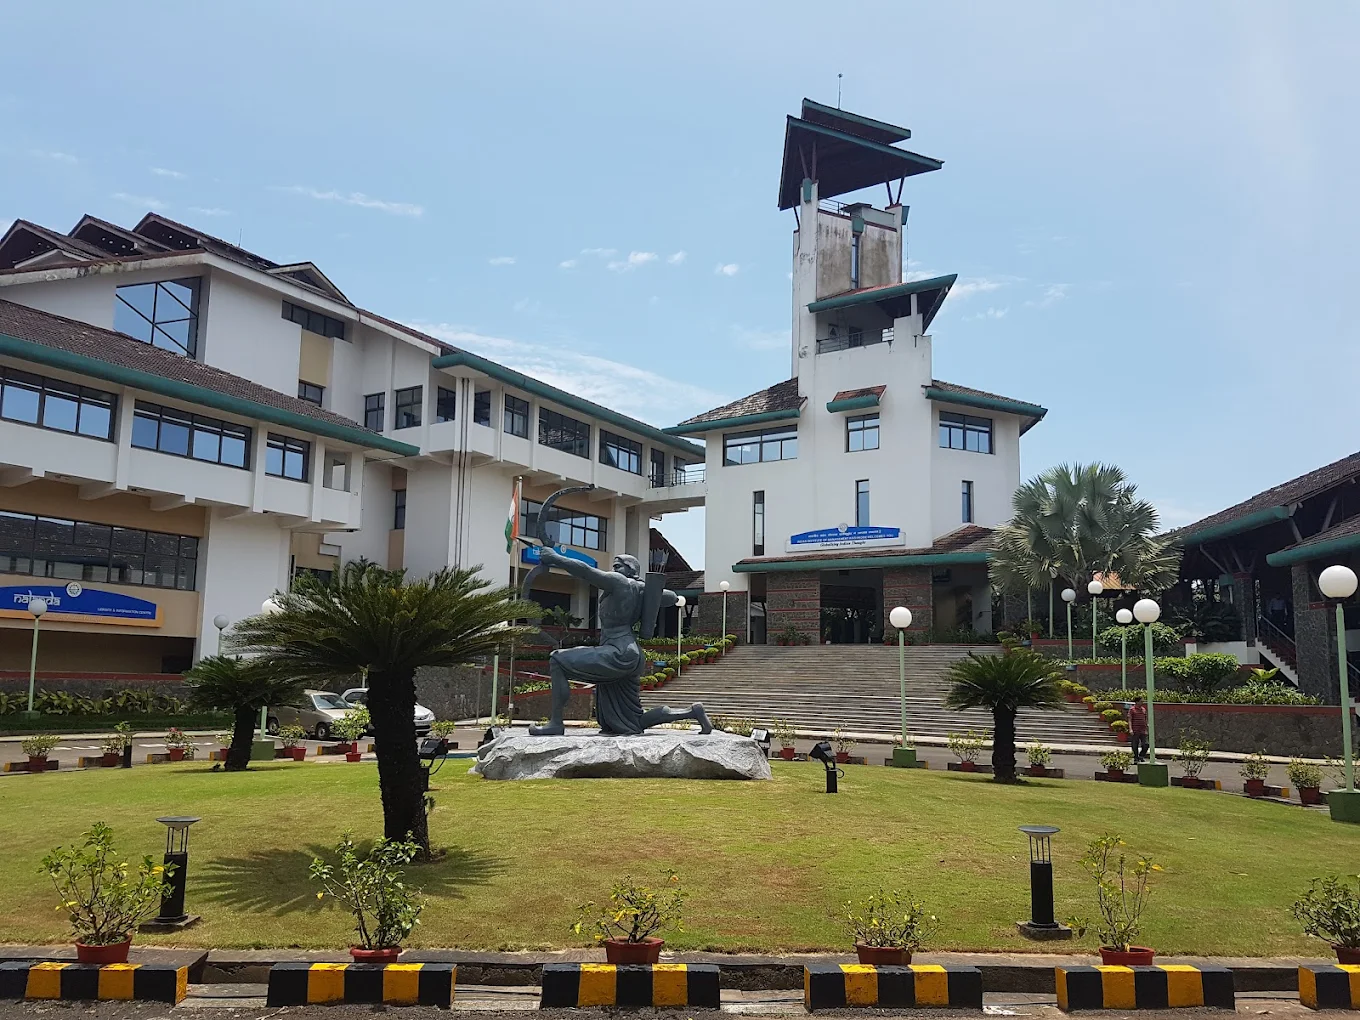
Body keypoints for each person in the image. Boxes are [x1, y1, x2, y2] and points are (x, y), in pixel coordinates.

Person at [526, 548, 711, 737]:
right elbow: (671, 597)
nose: (613, 571)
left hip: (618, 651)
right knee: (632, 720)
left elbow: (586, 571)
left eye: (617, 566)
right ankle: (692, 712)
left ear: (630, 570)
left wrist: (556, 558)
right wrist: (647, 589)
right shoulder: (640, 589)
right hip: (631, 653)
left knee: (557, 659)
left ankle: (556, 723)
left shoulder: (619, 582)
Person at [1127, 693, 1149, 762]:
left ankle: (1141, 756)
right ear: (1137, 702)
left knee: (1146, 744)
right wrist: (1130, 729)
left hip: (1142, 730)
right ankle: (1136, 758)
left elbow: (1145, 719)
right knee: (1135, 745)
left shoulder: (1143, 709)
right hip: (1135, 730)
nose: (1142, 702)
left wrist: (1146, 727)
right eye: (1141, 701)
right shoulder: (1132, 710)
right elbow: (1130, 719)